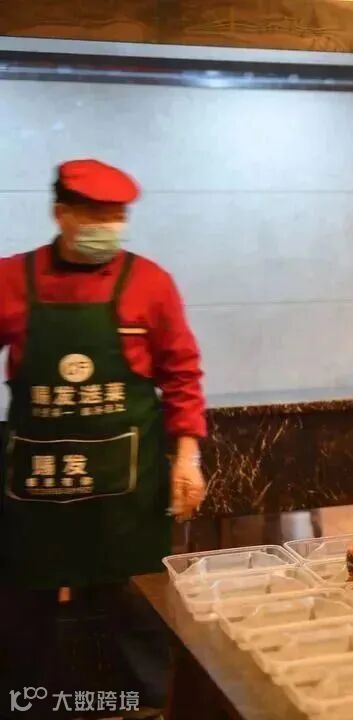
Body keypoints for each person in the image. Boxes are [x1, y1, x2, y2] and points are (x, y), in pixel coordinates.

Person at [0, 159, 207, 714]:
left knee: (136, 609)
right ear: (60, 213)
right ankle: (27, 707)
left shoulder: (149, 283)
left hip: (127, 490)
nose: (107, 227)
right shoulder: (11, 280)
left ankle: (147, 708)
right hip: (36, 489)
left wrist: (187, 457)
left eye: (116, 216)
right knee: (25, 617)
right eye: (94, 215)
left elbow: (182, 374)